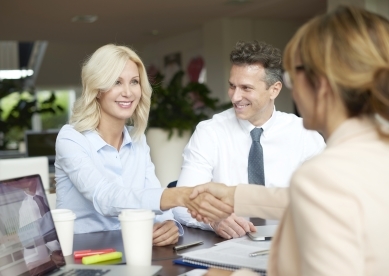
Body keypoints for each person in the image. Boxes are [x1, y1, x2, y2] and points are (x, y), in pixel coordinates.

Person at [189, 5, 389, 275]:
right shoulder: (374, 153)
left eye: (294, 79)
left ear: (322, 86)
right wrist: (236, 196)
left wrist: (230, 274)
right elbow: (323, 200)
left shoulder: (322, 173)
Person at [55, 44, 232, 246]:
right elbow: (105, 197)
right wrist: (178, 195)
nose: (128, 92)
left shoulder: (137, 140)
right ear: (97, 89)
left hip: (132, 247)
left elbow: (153, 199)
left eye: (134, 82)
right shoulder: (71, 138)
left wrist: (169, 224)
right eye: (116, 82)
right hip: (84, 252)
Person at [173, 40, 325, 239]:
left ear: (274, 90)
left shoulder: (305, 134)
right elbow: (182, 201)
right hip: (229, 244)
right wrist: (213, 219)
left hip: (291, 241)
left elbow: (323, 201)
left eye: (246, 88)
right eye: (232, 86)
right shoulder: (210, 132)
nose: (235, 97)